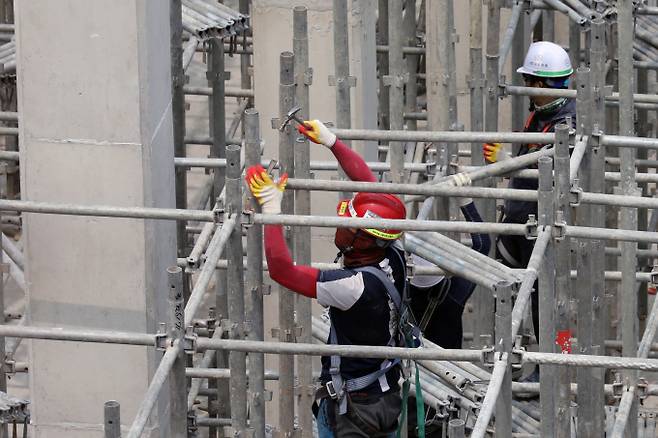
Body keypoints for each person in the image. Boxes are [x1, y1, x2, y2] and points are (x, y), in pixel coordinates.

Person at [246, 119, 408, 437]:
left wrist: (271, 210)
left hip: (352, 410)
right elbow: (369, 185)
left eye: (347, 224)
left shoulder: (353, 287)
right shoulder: (394, 251)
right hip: (385, 397)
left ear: (363, 240)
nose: (339, 223)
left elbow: (282, 270)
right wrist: (332, 141)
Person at [483, 41, 575, 345]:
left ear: (540, 83)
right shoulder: (541, 114)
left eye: (527, 83)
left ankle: (556, 366)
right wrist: (508, 164)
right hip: (521, 221)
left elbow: (555, 173)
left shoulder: (567, 124)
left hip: (547, 226)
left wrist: (508, 163)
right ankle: (510, 368)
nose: (525, 89)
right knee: (507, 296)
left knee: (550, 304)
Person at [408, 196, 491, 350]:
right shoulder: (453, 294)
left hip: (409, 369)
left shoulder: (397, 290)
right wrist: (464, 199)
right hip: (450, 370)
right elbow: (482, 245)